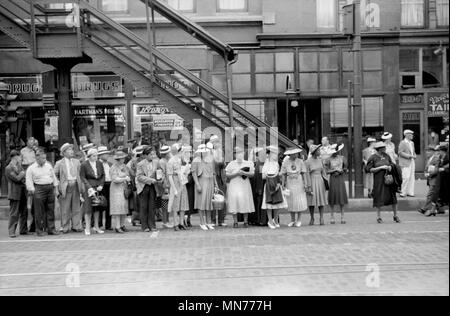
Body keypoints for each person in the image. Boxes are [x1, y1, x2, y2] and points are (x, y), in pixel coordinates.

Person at [25, 149, 60, 237]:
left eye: (45, 158)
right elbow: (28, 180)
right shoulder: (31, 168)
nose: (45, 160)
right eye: (43, 158)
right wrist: (32, 190)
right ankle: (39, 230)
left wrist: (56, 188)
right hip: (38, 188)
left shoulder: (48, 165)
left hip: (49, 187)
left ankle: (51, 229)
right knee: (39, 211)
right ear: (37, 158)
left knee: (50, 209)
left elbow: (54, 177)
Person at [366, 142, 401, 223]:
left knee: (393, 197)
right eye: (383, 148)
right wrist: (381, 167)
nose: (385, 149)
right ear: (379, 149)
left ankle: (395, 216)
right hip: (379, 181)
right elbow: (369, 169)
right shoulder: (373, 158)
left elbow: (392, 164)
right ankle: (378, 217)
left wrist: (390, 167)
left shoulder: (386, 156)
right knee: (378, 197)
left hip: (388, 180)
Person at [53, 143, 84, 234]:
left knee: (76, 207)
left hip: (75, 186)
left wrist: (81, 186)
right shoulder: (59, 163)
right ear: (64, 152)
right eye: (69, 150)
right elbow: (54, 175)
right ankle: (65, 226)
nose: (72, 151)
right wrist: (59, 185)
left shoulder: (77, 162)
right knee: (65, 208)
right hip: (65, 187)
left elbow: (80, 174)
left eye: (72, 150)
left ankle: (76, 225)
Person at [225, 147, 255, 228]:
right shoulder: (231, 164)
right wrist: (236, 174)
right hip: (234, 185)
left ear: (243, 153)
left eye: (240, 153)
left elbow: (252, 174)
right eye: (237, 153)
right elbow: (227, 175)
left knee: (245, 201)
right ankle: (235, 222)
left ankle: (245, 221)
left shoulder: (248, 163)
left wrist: (244, 173)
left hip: (244, 185)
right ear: (234, 154)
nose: (239, 155)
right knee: (234, 202)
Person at [281, 147, 309, 228]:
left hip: (299, 181)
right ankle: (292, 220)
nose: (296, 155)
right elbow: (283, 174)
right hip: (290, 181)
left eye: (297, 153)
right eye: (294, 154)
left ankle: (299, 219)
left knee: (299, 199)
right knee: (291, 200)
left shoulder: (300, 161)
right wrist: (283, 183)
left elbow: (303, 173)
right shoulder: (285, 162)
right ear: (290, 154)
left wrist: (305, 183)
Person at [80, 148, 105, 236]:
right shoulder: (84, 164)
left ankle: (97, 227)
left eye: (96, 155)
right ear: (89, 156)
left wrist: (101, 185)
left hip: (98, 187)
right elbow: (82, 177)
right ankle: (87, 227)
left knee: (97, 208)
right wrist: (89, 187)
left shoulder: (99, 163)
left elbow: (103, 175)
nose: (96, 157)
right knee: (88, 209)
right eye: (94, 156)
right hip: (89, 188)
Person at [261, 146, 287, 229]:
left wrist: (279, 180)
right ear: (270, 154)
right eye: (274, 154)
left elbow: (278, 174)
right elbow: (263, 176)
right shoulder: (266, 164)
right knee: (269, 204)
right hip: (269, 185)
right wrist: (270, 176)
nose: (276, 155)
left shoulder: (276, 163)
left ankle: (275, 219)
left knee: (277, 203)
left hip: (276, 184)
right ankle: (270, 220)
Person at [191, 144, 217, 230]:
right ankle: (202, 222)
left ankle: (209, 222)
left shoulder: (210, 160)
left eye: (205, 152)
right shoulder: (196, 160)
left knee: (209, 203)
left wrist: (215, 184)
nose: (204, 153)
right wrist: (197, 184)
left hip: (210, 182)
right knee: (201, 203)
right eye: (202, 152)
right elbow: (193, 173)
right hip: (201, 181)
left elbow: (213, 173)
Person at [167, 143, 189, 231]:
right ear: (178, 151)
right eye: (182, 151)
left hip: (182, 181)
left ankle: (181, 223)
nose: (183, 152)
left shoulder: (181, 160)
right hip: (175, 181)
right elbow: (170, 176)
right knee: (175, 205)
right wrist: (174, 189)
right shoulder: (171, 161)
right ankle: (175, 223)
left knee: (183, 203)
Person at [5, 150, 28, 237]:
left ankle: (23, 230)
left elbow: (22, 178)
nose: (21, 158)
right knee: (14, 213)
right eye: (20, 157)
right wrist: (22, 174)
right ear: (15, 157)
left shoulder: (19, 166)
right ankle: (11, 231)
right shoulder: (8, 168)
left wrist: (22, 175)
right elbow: (17, 178)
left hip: (22, 191)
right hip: (14, 192)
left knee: (24, 211)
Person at [324, 144, 349, 224]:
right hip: (333, 178)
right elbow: (326, 171)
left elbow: (346, 169)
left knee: (341, 196)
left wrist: (342, 170)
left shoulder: (342, 158)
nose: (335, 153)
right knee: (332, 197)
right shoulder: (328, 159)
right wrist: (334, 170)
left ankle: (342, 216)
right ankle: (332, 216)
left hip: (340, 178)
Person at [136, 147, 159, 232]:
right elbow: (139, 177)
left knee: (152, 206)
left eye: (153, 154)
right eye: (150, 154)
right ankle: (144, 226)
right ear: (145, 155)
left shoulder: (156, 162)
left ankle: (152, 225)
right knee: (144, 207)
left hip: (153, 186)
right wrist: (150, 180)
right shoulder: (140, 164)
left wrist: (159, 178)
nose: (152, 156)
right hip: (143, 187)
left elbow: (159, 172)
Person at [306, 144, 327, 226]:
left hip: (320, 180)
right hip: (312, 180)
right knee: (311, 200)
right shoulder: (308, 162)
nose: (319, 151)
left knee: (321, 200)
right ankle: (312, 217)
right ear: (314, 152)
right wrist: (308, 185)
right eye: (318, 150)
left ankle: (321, 217)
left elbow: (323, 171)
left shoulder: (320, 160)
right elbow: (307, 173)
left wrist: (326, 181)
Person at [110, 150, 131, 233]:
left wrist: (127, 179)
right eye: (122, 158)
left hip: (124, 188)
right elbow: (114, 179)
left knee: (124, 207)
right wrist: (124, 178)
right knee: (117, 208)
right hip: (116, 189)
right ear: (118, 159)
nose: (123, 159)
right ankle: (117, 226)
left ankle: (122, 225)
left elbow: (128, 174)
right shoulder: (113, 167)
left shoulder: (125, 166)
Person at [419, 145, 442, 216]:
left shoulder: (436, 159)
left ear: (433, 152)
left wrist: (429, 174)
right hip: (430, 179)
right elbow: (426, 169)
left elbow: (436, 170)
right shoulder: (429, 159)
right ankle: (439, 209)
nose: (427, 153)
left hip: (434, 179)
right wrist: (425, 173)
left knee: (430, 194)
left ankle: (424, 208)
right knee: (436, 195)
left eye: (428, 151)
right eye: (426, 151)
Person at [209, 135, 227, 227]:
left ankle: (221, 219)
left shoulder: (221, 152)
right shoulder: (209, 152)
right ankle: (212, 220)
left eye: (217, 142)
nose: (217, 143)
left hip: (221, 178)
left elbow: (223, 166)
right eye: (215, 142)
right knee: (213, 199)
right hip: (212, 178)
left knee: (221, 198)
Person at [248, 147, 267, 226]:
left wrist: (259, 188)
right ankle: (256, 219)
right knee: (257, 202)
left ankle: (261, 220)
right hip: (256, 186)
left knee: (260, 202)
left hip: (260, 186)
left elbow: (260, 176)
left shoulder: (261, 163)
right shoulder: (256, 163)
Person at [157, 145, 173, 228]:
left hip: (167, 185)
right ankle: (165, 221)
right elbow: (161, 174)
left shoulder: (166, 161)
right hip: (164, 186)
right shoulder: (162, 162)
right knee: (165, 205)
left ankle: (167, 221)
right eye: (169, 152)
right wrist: (165, 186)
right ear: (166, 153)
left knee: (167, 204)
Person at [398, 129, 416, 197]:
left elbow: (413, 151)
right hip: (405, 162)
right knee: (406, 177)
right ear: (406, 135)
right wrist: (409, 156)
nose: (412, 136)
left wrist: (414, 155)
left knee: (412, 177)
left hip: (412, 161)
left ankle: (410, 192)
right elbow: (400, 152)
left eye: (412, 134)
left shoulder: (412, 143)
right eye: (410, 134)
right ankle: (403, 192)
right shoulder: (402, 142)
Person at [98, 146, 112, 230]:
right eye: (105, 154)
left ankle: (108, 224)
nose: (107, 155)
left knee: (109, 205)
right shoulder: (97, 164)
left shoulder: (110, 164)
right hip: (100, 185)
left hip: (109, 184)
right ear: (101, 155)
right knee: (100, 204)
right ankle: (99, 223)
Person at [181, 145, 195, 227]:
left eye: (190, 152)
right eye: (188, 152)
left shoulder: (191, 161)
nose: (190, 153)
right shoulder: (181, 161)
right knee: (183, 201)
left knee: (190, 201)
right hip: (183, 182)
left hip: (190, 183)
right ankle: (182, 220)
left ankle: (188, 219)